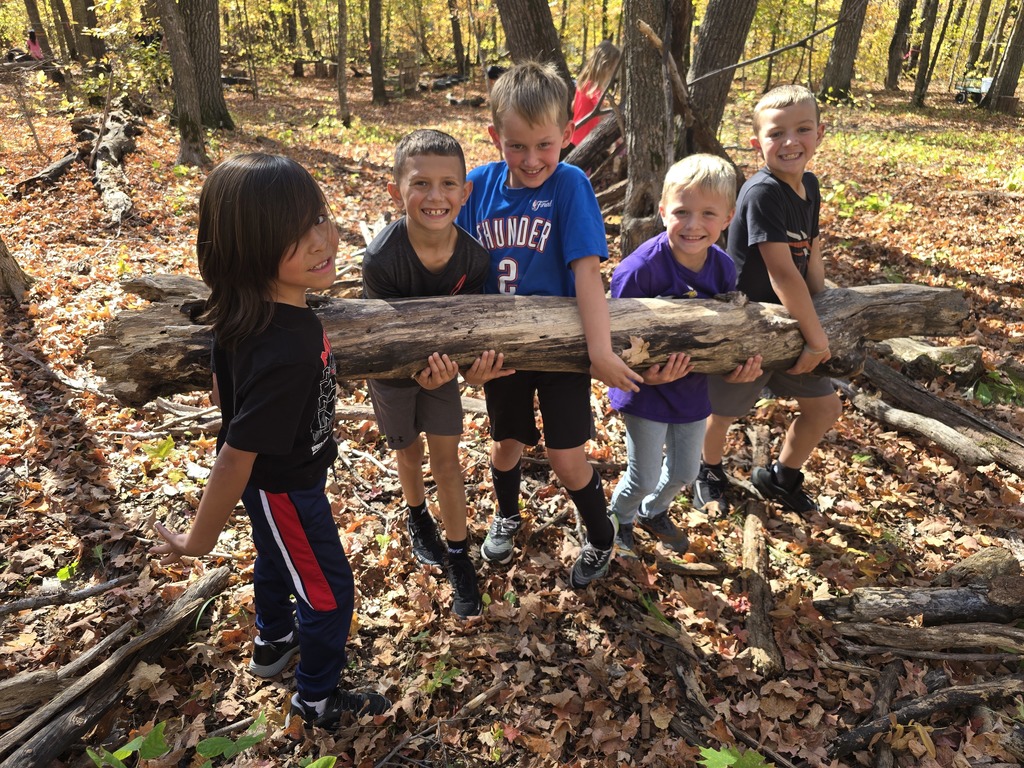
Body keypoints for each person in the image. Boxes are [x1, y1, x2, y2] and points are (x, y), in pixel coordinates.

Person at [150, 153, 391, 729]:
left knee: (275, 559)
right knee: (330, 594)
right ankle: (316, 699)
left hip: (277, 486)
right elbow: (236, 453)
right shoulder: (288, 347)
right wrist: (196, 540)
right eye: (296, 233)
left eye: (321, 217)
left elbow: (222, 386)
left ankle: (273, 642)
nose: (323, 238)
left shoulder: (246, 313)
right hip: (286, 489)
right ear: (249, 250)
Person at [457, 60, 645, 589]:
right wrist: (466, 353)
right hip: (503, 352)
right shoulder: (476, 188)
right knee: (506, 444)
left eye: (544, 144)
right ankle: (508, 513)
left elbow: (587, 271)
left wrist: (601, 350)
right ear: (495, 137)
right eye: (516, 146)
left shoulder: (570, 184)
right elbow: (458, 274)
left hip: (564, 349)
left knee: (566, 457)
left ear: (566, 134)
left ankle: (600, 532)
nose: (532, 158)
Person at [362, 129, 512, 619]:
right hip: (391, 370)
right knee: (409, 453)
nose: (435, 196)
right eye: (420, 183)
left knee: (447, 462)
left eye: (449, 184)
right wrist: (412, 372)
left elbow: (467, 328)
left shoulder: (473, 258)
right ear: (395, 191)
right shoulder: (383, 257)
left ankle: (458, 551)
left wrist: (472, 372)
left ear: (465, 193)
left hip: (443, 369)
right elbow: (382, 334)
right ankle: (416, 515)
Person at [693, 85, 843, 515]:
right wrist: (817, 340)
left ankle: (781, 476)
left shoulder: (808, 186)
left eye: (802, 129)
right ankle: (708, 470)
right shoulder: (761, 193)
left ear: (819, 134)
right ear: (758, 143)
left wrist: (824, 308)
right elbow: (780, 274)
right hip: (748, 325)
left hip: (793, 325)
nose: (791, 141)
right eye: (777, 133)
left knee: (825, 407)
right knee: (723, 412)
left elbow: (809, 251)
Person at [608, 155, 763, 556]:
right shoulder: (638, 270)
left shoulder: (723, 270)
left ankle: (652, 511)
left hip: (692, 389)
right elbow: (613, 341)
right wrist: (645, 377)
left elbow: (724, 335)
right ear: (662, 212)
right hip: (645, 391)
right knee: (642, 474)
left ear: (728, 217)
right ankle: (619, 517)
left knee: (684, 471)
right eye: (682, 212)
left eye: (708, 214)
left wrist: (734, 370)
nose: (693, 225)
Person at [568, 41, 620, 150]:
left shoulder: (582, 83)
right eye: (612, 69)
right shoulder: (594, 87)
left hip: (574, 138)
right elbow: (601, 114)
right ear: (605, 66)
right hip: (584, 141)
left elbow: (573, 107)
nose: (612, 74)